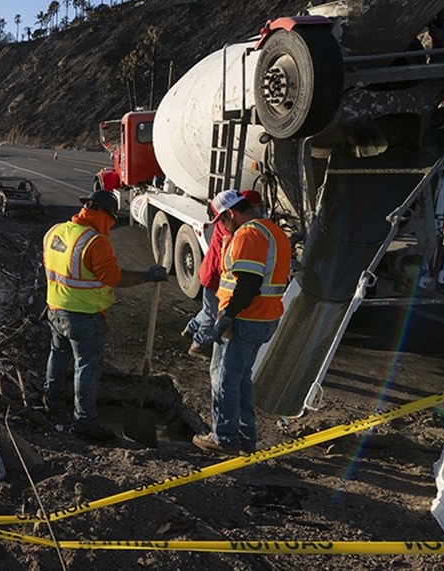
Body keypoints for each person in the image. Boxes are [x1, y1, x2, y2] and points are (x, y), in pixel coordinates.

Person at [43, 190, 168, 444]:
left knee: (57, 355)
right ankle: (84, 422)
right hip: (84, 317)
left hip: (55, 309)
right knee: (86, 367)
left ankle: (51, 399)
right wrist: (147, 275)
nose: (111, 225)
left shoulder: (56, 231)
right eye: (111, 219)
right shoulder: (95, 242)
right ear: (103, 215)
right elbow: (113, 278)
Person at [193, 190, 291, 455]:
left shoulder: (249, 234)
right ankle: (247, 439)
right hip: (265, 318)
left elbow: (248, 284)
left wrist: (226, 317)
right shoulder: (274, 232)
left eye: (221, 222)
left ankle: (223, 438)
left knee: (224, 380)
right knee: (242, 379)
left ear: (230, 213)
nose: (222, 228)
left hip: (245, 319)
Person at [182, 189, 263, 359]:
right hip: (215, 277)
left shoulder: (231, 223)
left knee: (208, 308)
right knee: (212, 315)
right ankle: (199, 344)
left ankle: (191, 329)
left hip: (212, 274)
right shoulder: (231, 227)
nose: (255, 212)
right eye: (253, 208)